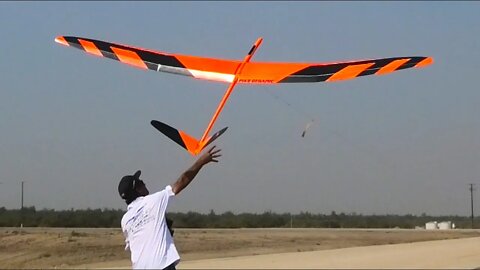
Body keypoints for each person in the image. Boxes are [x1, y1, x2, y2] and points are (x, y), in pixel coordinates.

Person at [118, 145, 221, 269]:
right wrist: (201, 161)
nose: (144, 183)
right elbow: (181, 181)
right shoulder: (153, 201)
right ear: (138, 189)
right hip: (162, 266)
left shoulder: (125, 220)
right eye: (141, 183)